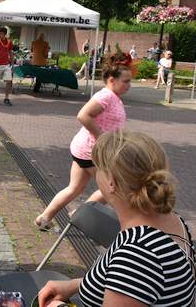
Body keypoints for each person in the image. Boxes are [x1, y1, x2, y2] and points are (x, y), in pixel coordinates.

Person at [38, 130, 196, 307]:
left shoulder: (137, 254)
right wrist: (76, 284)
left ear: (111, 181)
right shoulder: (173, 222)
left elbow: (134, 273)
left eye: (97, 168)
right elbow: (131, 284)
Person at [35, 53, 131, 230]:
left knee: (74, 188)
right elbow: (83, 115)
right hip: (91, 152)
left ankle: (44, 218)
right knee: (112, 188)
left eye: (129, 81)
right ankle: (80, 214)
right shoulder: (106, 96)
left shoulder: (113, 97)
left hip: (86, 149)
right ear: (112, 79)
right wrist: (102, 137)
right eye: (125, 81)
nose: (129, 86)